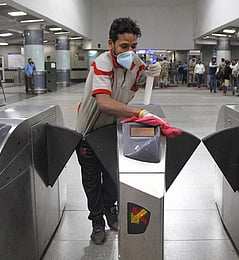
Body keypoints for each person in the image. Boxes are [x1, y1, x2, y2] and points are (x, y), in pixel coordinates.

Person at [75, 17, 163, 245]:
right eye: (124, 46)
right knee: (92, 182)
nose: (130, 52)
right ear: (111, 43)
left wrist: (156, 72)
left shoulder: (135, 63)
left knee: (114, 178)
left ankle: (110, 212)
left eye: (134, 46)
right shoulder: (102, 64)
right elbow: (104, 103)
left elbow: (146, 79)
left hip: (114, 131)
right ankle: (96, 223)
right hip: (89, 132)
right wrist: (139, 113)